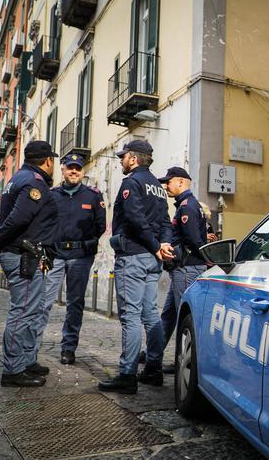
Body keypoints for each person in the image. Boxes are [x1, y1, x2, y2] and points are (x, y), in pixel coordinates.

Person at [0, 140, 59, 387]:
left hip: (30, 254)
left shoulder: (19, 177)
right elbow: (18, 219)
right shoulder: (34, 183)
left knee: (31, 310)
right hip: (25, 255)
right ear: (48, 161)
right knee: (22, 312)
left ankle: (25, 361)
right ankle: (13, 370)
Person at [98, 140, 173, 394]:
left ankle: (128, 375)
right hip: (153, 260)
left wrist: (154, 245)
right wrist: (162, 245)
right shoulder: (158, 188)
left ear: (133, 158)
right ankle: (153, 369)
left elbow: (135, 218)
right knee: (151, 314)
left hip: (133, 256)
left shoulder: (132, 182)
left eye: (123, 157)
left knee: (130, 316)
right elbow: (165, 222)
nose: (120, 161)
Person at [40, 153, 106, 366]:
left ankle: (68, 348)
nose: (74, 171)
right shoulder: (52, 195)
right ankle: (31, 347)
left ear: (82, 171)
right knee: (44, 301)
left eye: (78, 168)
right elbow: (43, 222)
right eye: (70, 167)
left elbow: (100, 226)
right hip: (55, 255)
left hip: (80, 257)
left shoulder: (93, 196)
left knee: (75, 303)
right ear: (63, 169)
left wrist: (88, 244)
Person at [157, 167, 208, 373]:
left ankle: (185, 363)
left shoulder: (187, 207)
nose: (166, 186)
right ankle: (154, 355)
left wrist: (207, 260)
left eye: (168, 182)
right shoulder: (185, 205)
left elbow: (194, 241)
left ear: (180, 182)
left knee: (184, 318)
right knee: (169, 316)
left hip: (186, 268)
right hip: (182, 269)